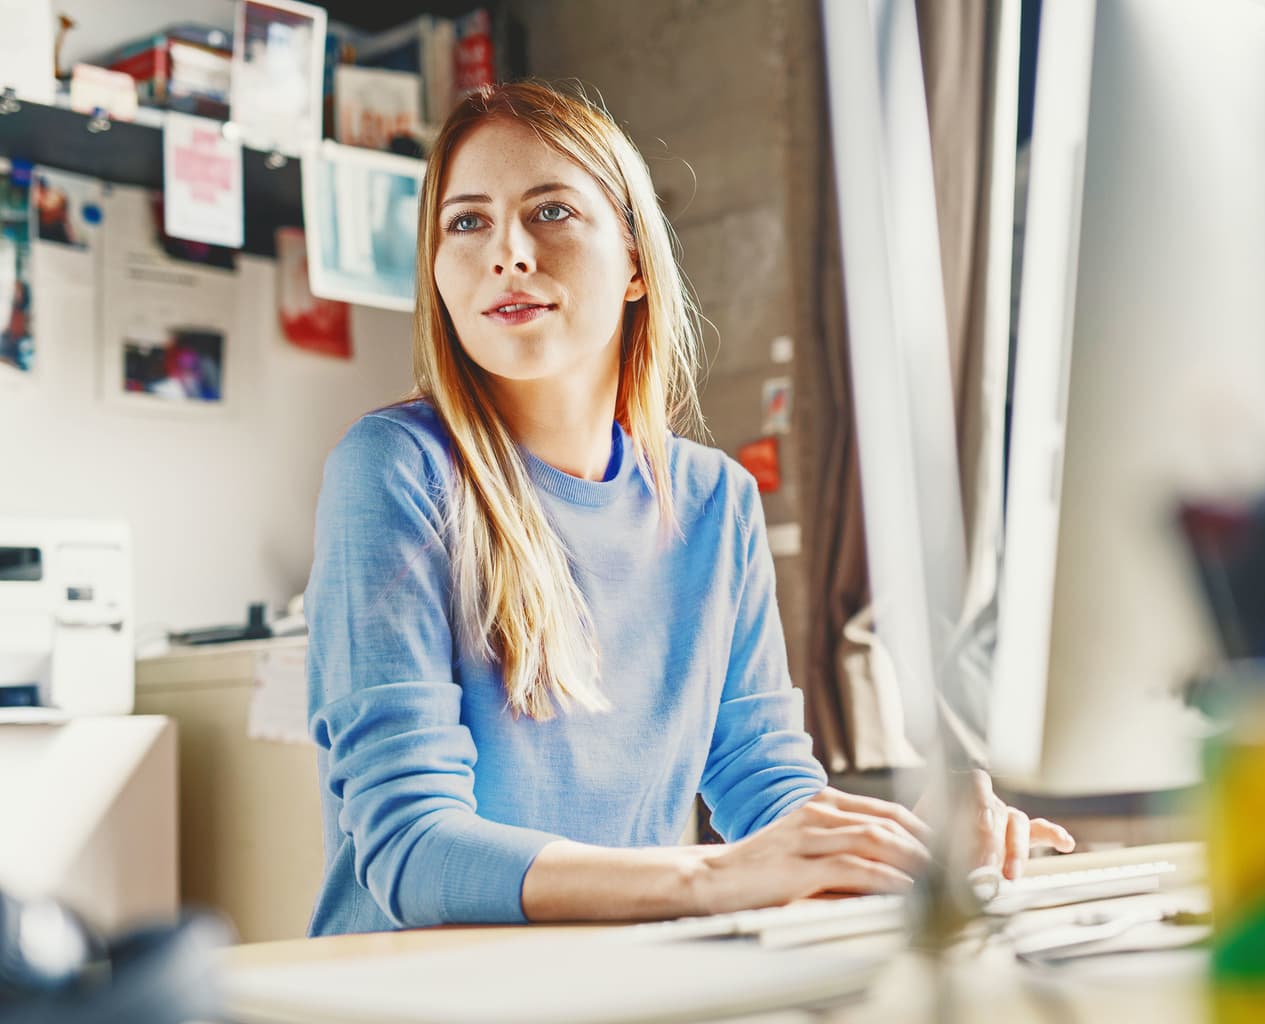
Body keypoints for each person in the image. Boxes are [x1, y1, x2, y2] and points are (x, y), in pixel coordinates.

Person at [305, 80, 1073, 937]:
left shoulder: (715, 500)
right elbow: (413, 850)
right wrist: (713, 876)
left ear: (636, 261)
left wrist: (899, 848)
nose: (506, 253)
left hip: (613, 987)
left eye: (550, 212)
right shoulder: (393, 469)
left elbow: (762, 782)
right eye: (467, 221)